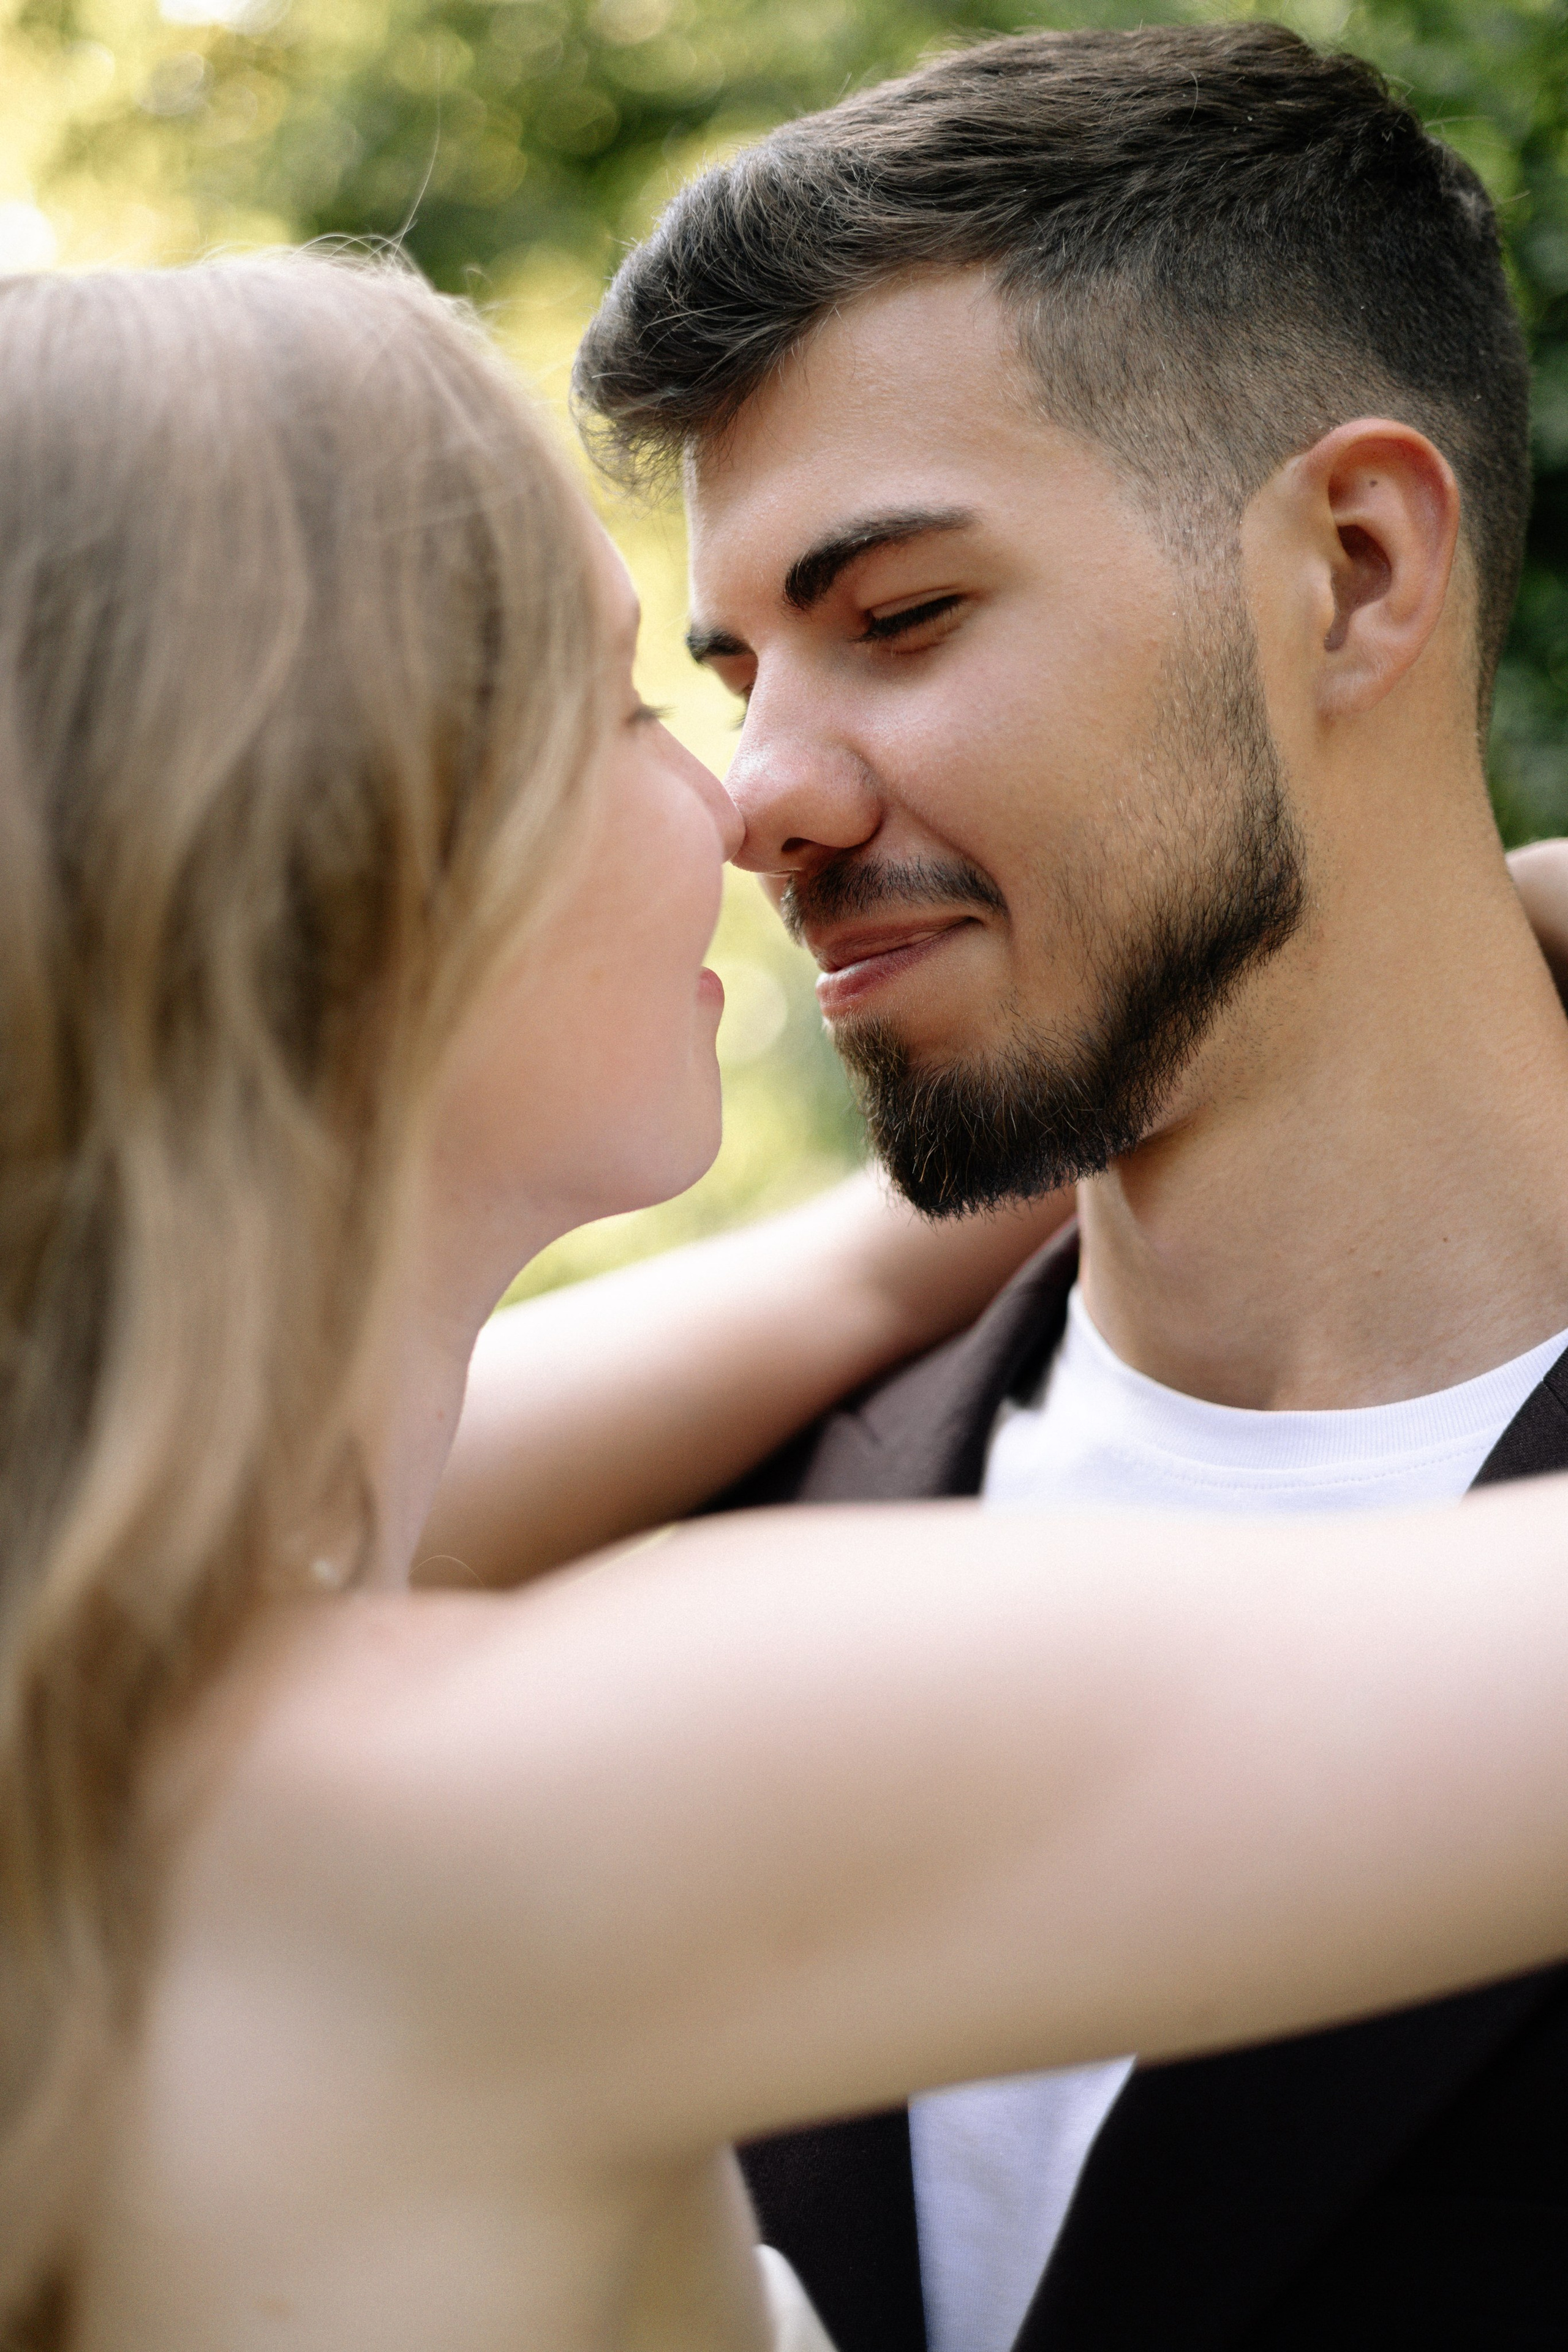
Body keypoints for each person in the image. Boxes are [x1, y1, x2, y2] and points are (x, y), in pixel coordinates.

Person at [7, 254, 1568, 2352]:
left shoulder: (94, 1661)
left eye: (903, 620)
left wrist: (1396, 962)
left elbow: (839, 1275)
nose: (743, 803)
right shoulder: (477, 1804)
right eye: (632, 704)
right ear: (324, 860)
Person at [570, 22, 1568, 2348]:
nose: (760, 799)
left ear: (1354, 569)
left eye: (901, 617)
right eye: (737, 671)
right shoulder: (695, 1574)